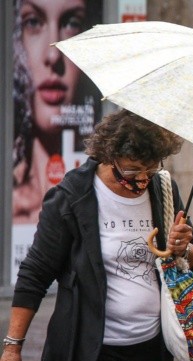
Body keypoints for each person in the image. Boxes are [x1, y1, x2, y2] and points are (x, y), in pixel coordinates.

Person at [0, 109, 193, 361]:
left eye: (150, 170)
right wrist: (12, 348)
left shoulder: (162, 190)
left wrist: (182, 248)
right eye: (133, 171)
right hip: (96, 350)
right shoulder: (72, 197)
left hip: (151, 347)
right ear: (108, 156)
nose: (142, 180)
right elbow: (35, 273)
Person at [12, 0, 102, 224]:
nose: (53, 57)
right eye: (33, 22)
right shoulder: (12, 204)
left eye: (71, 24)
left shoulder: (103, 193)